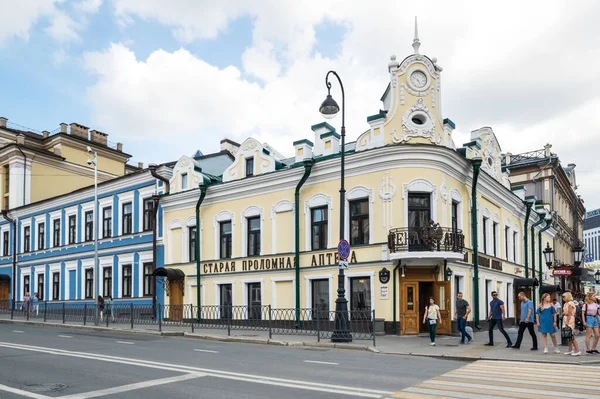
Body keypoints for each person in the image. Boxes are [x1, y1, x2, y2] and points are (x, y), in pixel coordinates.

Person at [562, 292, 581, 356]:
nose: (563, 298)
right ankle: (570, 349)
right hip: (566, 319)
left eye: (564, 297)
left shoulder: (570, 303)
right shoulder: (566, 304)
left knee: (571, 336)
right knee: (568, 335)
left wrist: (567, 321)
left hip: (569, 320)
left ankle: (577, 350)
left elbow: (570, 313)